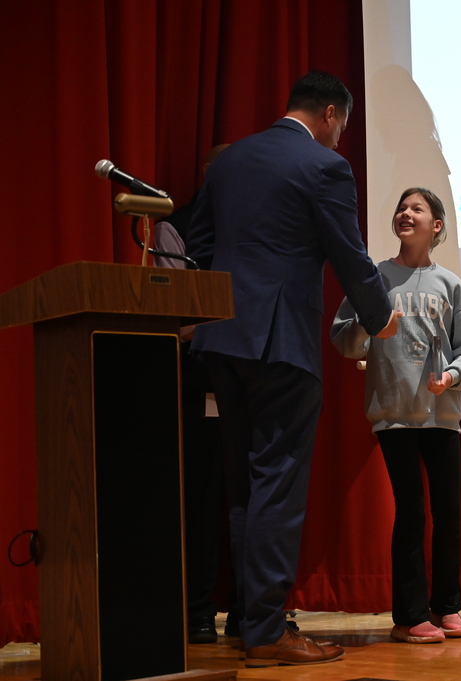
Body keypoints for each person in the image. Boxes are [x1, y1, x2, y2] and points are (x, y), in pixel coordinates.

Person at [187, 70, 401, 668]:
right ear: (331, 113)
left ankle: (251, 622)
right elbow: (349, 253)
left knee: (245, 488)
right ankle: (265, 632)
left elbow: (198, 242)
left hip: (222, 339)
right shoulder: (324, 167)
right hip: (280, 342)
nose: (341, 138)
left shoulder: (230, 162)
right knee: (277, 485)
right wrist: (380, 317)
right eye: (343, 126)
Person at [331, 188, 461, 644]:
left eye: (416, 208)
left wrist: (451, 376)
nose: (405, 213)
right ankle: (410, 616)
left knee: (449, 513)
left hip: (442, 415)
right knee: (412, 512)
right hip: (395, 414)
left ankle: (448, 607)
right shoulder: (375, 277)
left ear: (436, 226)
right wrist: (369, 323)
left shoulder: (450, 284)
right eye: (402, 207)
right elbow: (343, 337)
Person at [153, 143, 241, 644]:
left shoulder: (259, 226)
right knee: (205, 499)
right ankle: (199, 610)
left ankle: (254, 611)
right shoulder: (176, 224)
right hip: (201, 378)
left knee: (254, 497)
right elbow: (175, 314)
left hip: (256, 376)